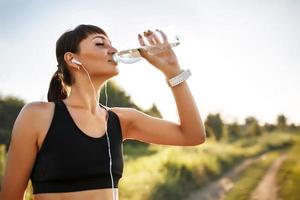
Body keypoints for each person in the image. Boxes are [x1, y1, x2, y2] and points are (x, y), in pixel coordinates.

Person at [0, 24, 206, 200]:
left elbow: (193, 135)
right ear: (73, 59)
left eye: (111, 43)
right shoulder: (37, 115)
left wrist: (173, 72)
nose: (113, 49)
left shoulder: (122, 120)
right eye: (100, 44)